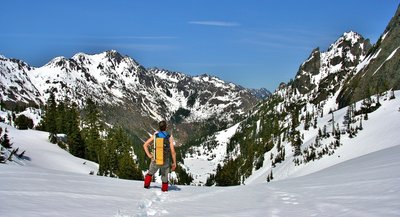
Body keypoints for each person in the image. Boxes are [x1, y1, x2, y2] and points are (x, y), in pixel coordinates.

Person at [143, 120, 177, 192]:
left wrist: (149, 155)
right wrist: (174, 163)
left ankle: (146, 186)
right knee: (164, 177)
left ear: (159, 127)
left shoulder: (155, 135)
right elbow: (173, 151)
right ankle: (164, 190)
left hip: (155, 158)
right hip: (165, 160)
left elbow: (145, 145)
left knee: (150, 173)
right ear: (166, 127)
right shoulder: (169, 136)